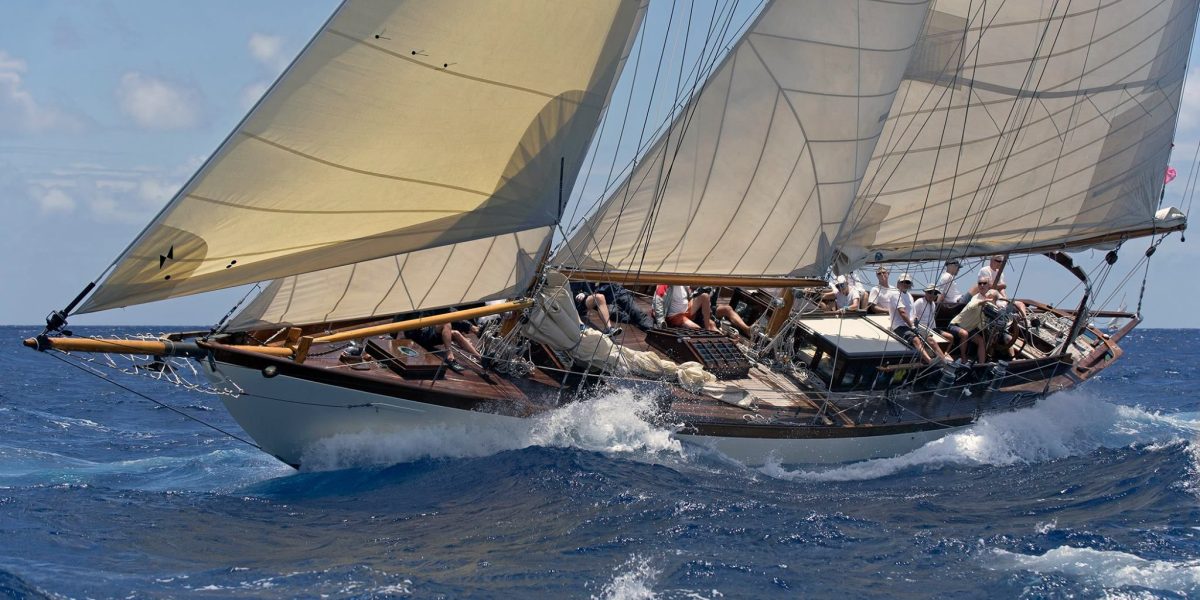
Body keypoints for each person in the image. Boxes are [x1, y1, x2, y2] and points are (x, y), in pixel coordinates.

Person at [402, 308, 482, 373]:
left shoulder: (433, 302)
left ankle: (480, 359)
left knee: (456, 333)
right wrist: (392, 337)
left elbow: (450, 312)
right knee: (446, 322)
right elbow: (399, 317)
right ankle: (450, 356)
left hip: (428, 334)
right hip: (416, 334)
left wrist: (469, 326)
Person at [655, 285, 754, 337]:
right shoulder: (666, 282)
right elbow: (658, 300)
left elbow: (689, 297)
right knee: (697, 328)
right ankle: (715, 335)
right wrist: (661, 322)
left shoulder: (683, 282)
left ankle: (708, 329)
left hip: (689, 309)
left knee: (705, 297)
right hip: (676, 316)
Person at [890, 273, 947, 364]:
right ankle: (930, 361)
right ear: (898, 283)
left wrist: (915, 320)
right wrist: (912, 326)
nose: (905, 284)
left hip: (913, 325)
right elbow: (902, 313)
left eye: (908, 282)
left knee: (931, 340)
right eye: (903, 282)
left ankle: (945, 361)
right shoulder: (895, 294)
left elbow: (913, 313)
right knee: (916, 339)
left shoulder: (909, 296)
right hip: (900, 326)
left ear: (910, 285)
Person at [949, 288, 999, 363]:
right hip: (955, 325)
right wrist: (982, 303)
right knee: (964, 334)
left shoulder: (988, 311)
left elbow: (982, 326)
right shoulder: (976, 300)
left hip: (969, 330)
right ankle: (963, 357)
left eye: (992, 299)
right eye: (989, 297)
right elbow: (971, 306)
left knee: (981, 341)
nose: (990, 300)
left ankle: (982, 364)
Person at [914, 285, 960, 360]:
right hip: (923, 329)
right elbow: (913, 315)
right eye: (930, 292)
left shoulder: (933, 304)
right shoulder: (919, 302)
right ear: (925, 292)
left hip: (933, 329)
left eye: (935, 293)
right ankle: (941, 358)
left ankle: (944, 353)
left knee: (950, 337)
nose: (932, 295)